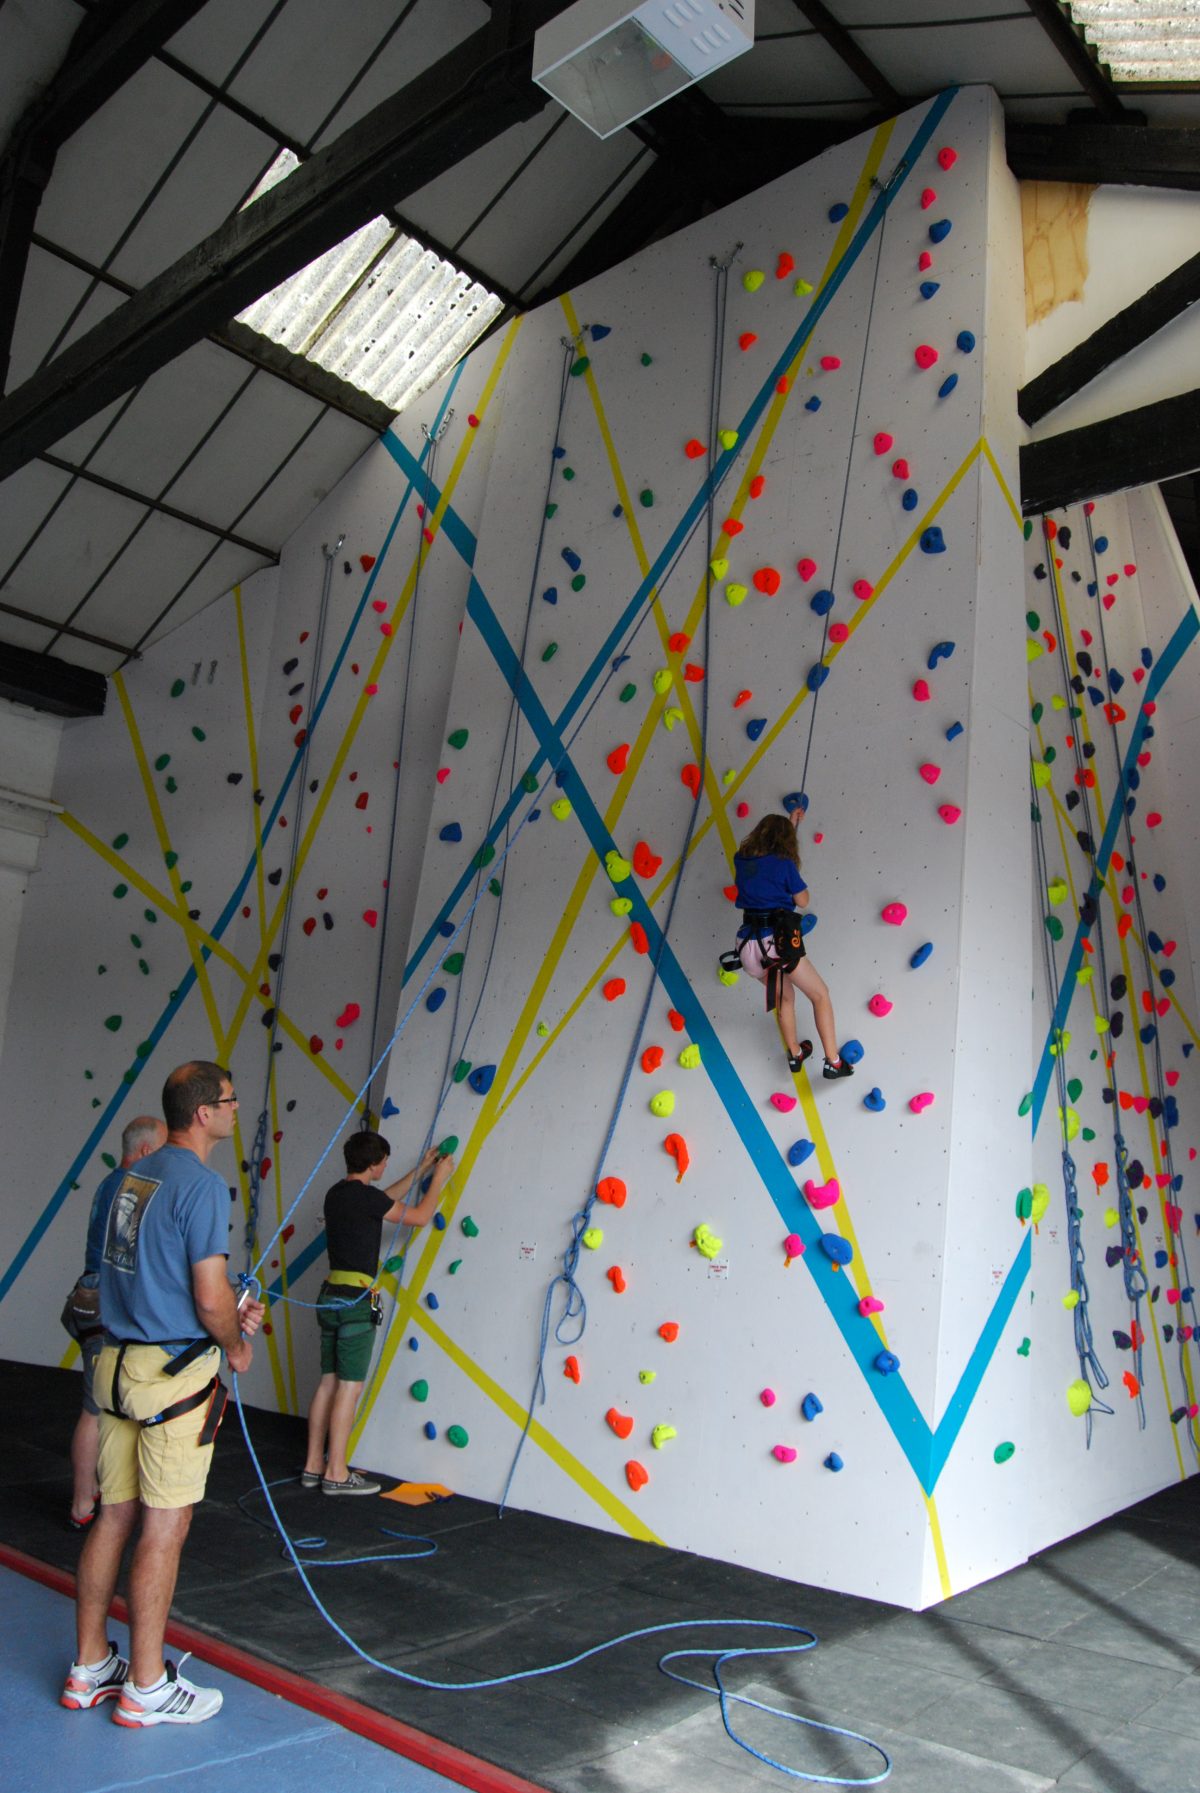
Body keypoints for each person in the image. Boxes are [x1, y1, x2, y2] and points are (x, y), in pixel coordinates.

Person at [62, 1061, 264, 1727]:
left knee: (114, 1515)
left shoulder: (132, 1177)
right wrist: (235, 1340)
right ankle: (146, 1684)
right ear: (203, 1112)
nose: (237, 1110)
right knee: (164, 1524)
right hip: (171, 1376)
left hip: (116, 1366)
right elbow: (208, 1298)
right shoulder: (203, 1186)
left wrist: (222, 1311)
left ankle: (91, 1665)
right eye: (231, 1101)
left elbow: (149, 1271)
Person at [303, 1132, 455, 1495]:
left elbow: (383, 1200)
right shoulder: (367, 1199)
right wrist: (438, 1179)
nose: (387, 1167)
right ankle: (336, 1472)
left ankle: (313, 1465)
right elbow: (418, 1216)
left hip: (330, 1296)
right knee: (349, 1387)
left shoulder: (337, 1194)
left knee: (328, 1383)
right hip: (355, 1300)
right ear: (373, 1164)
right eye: (384, 1162)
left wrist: (420, 1170)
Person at [69, 1115, 168, 1530]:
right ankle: (82, 1504)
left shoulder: (111, 1183)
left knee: (105, 1403)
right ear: (145, 1151)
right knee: (96, 1408)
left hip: (93, 1296)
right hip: (103, 1301)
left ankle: (97, 1495)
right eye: (162, 1151)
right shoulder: (128, 1189)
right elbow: (126, 1257)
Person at [733, 806, 853, 1080]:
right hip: (776, 942)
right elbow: (802, 901)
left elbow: (765, 868)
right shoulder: (785, 865)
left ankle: (796, 1053)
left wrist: (788, 824)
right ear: (785, 841)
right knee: (820, 994)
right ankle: (833, 1062)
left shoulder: (741, 860)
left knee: (785, 997)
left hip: (747, 946)